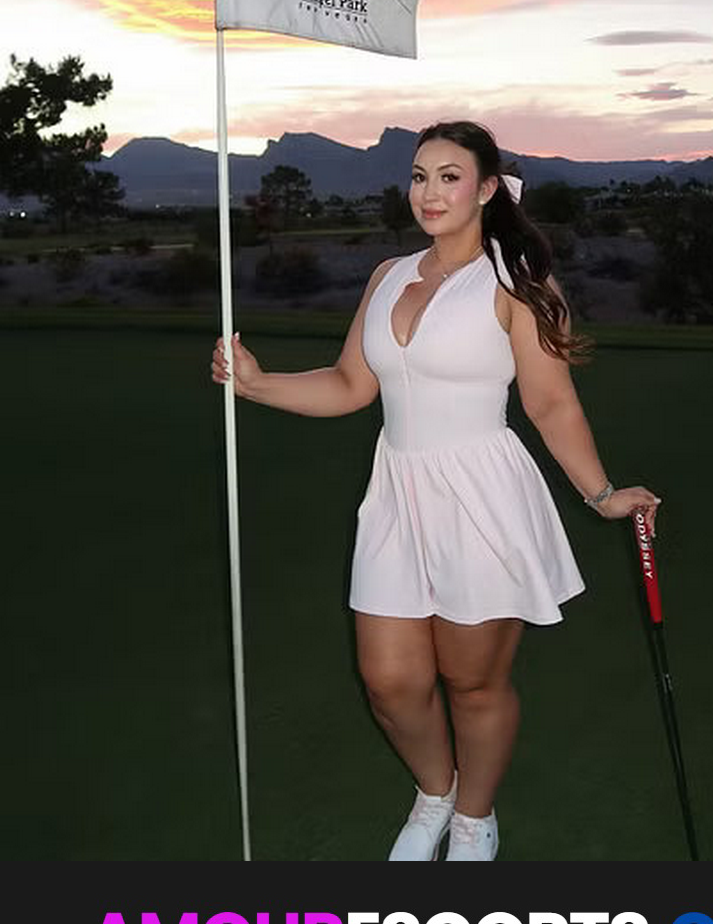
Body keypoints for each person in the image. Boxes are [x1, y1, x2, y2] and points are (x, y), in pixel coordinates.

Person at [211, 120, 661, 862]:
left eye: (450, 177)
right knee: (389, 681)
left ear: (486, 189)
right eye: (420, 176)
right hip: (396, 494)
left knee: (471, 682)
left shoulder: (515, 282)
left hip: (482, 497)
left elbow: (551, 404)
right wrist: (258, 385)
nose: (429, 192)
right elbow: (350, 385)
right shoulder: (388, 275)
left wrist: (601, 493)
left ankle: (475, 818)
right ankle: (435, 792)